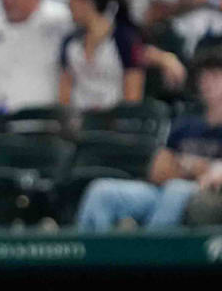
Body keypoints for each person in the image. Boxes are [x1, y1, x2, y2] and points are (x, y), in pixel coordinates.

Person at [76, 46, 222, 232]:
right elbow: (157, 172)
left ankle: (148, 255)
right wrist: (198, 168)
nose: (207, 83)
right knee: (101, 190)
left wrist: (189, 165)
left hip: (198, 195)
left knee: (176, 190)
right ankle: (92, 257)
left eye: (216, 76)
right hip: (161, 190)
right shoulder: (186, 124)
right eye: (204, 76)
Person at [60, 0, 144, 112]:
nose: (69, 5)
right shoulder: (70, 43)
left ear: (88, 2)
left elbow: (133, 92)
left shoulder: (124, 40)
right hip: (79, 121)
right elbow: (65, 90)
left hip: (114, 122)